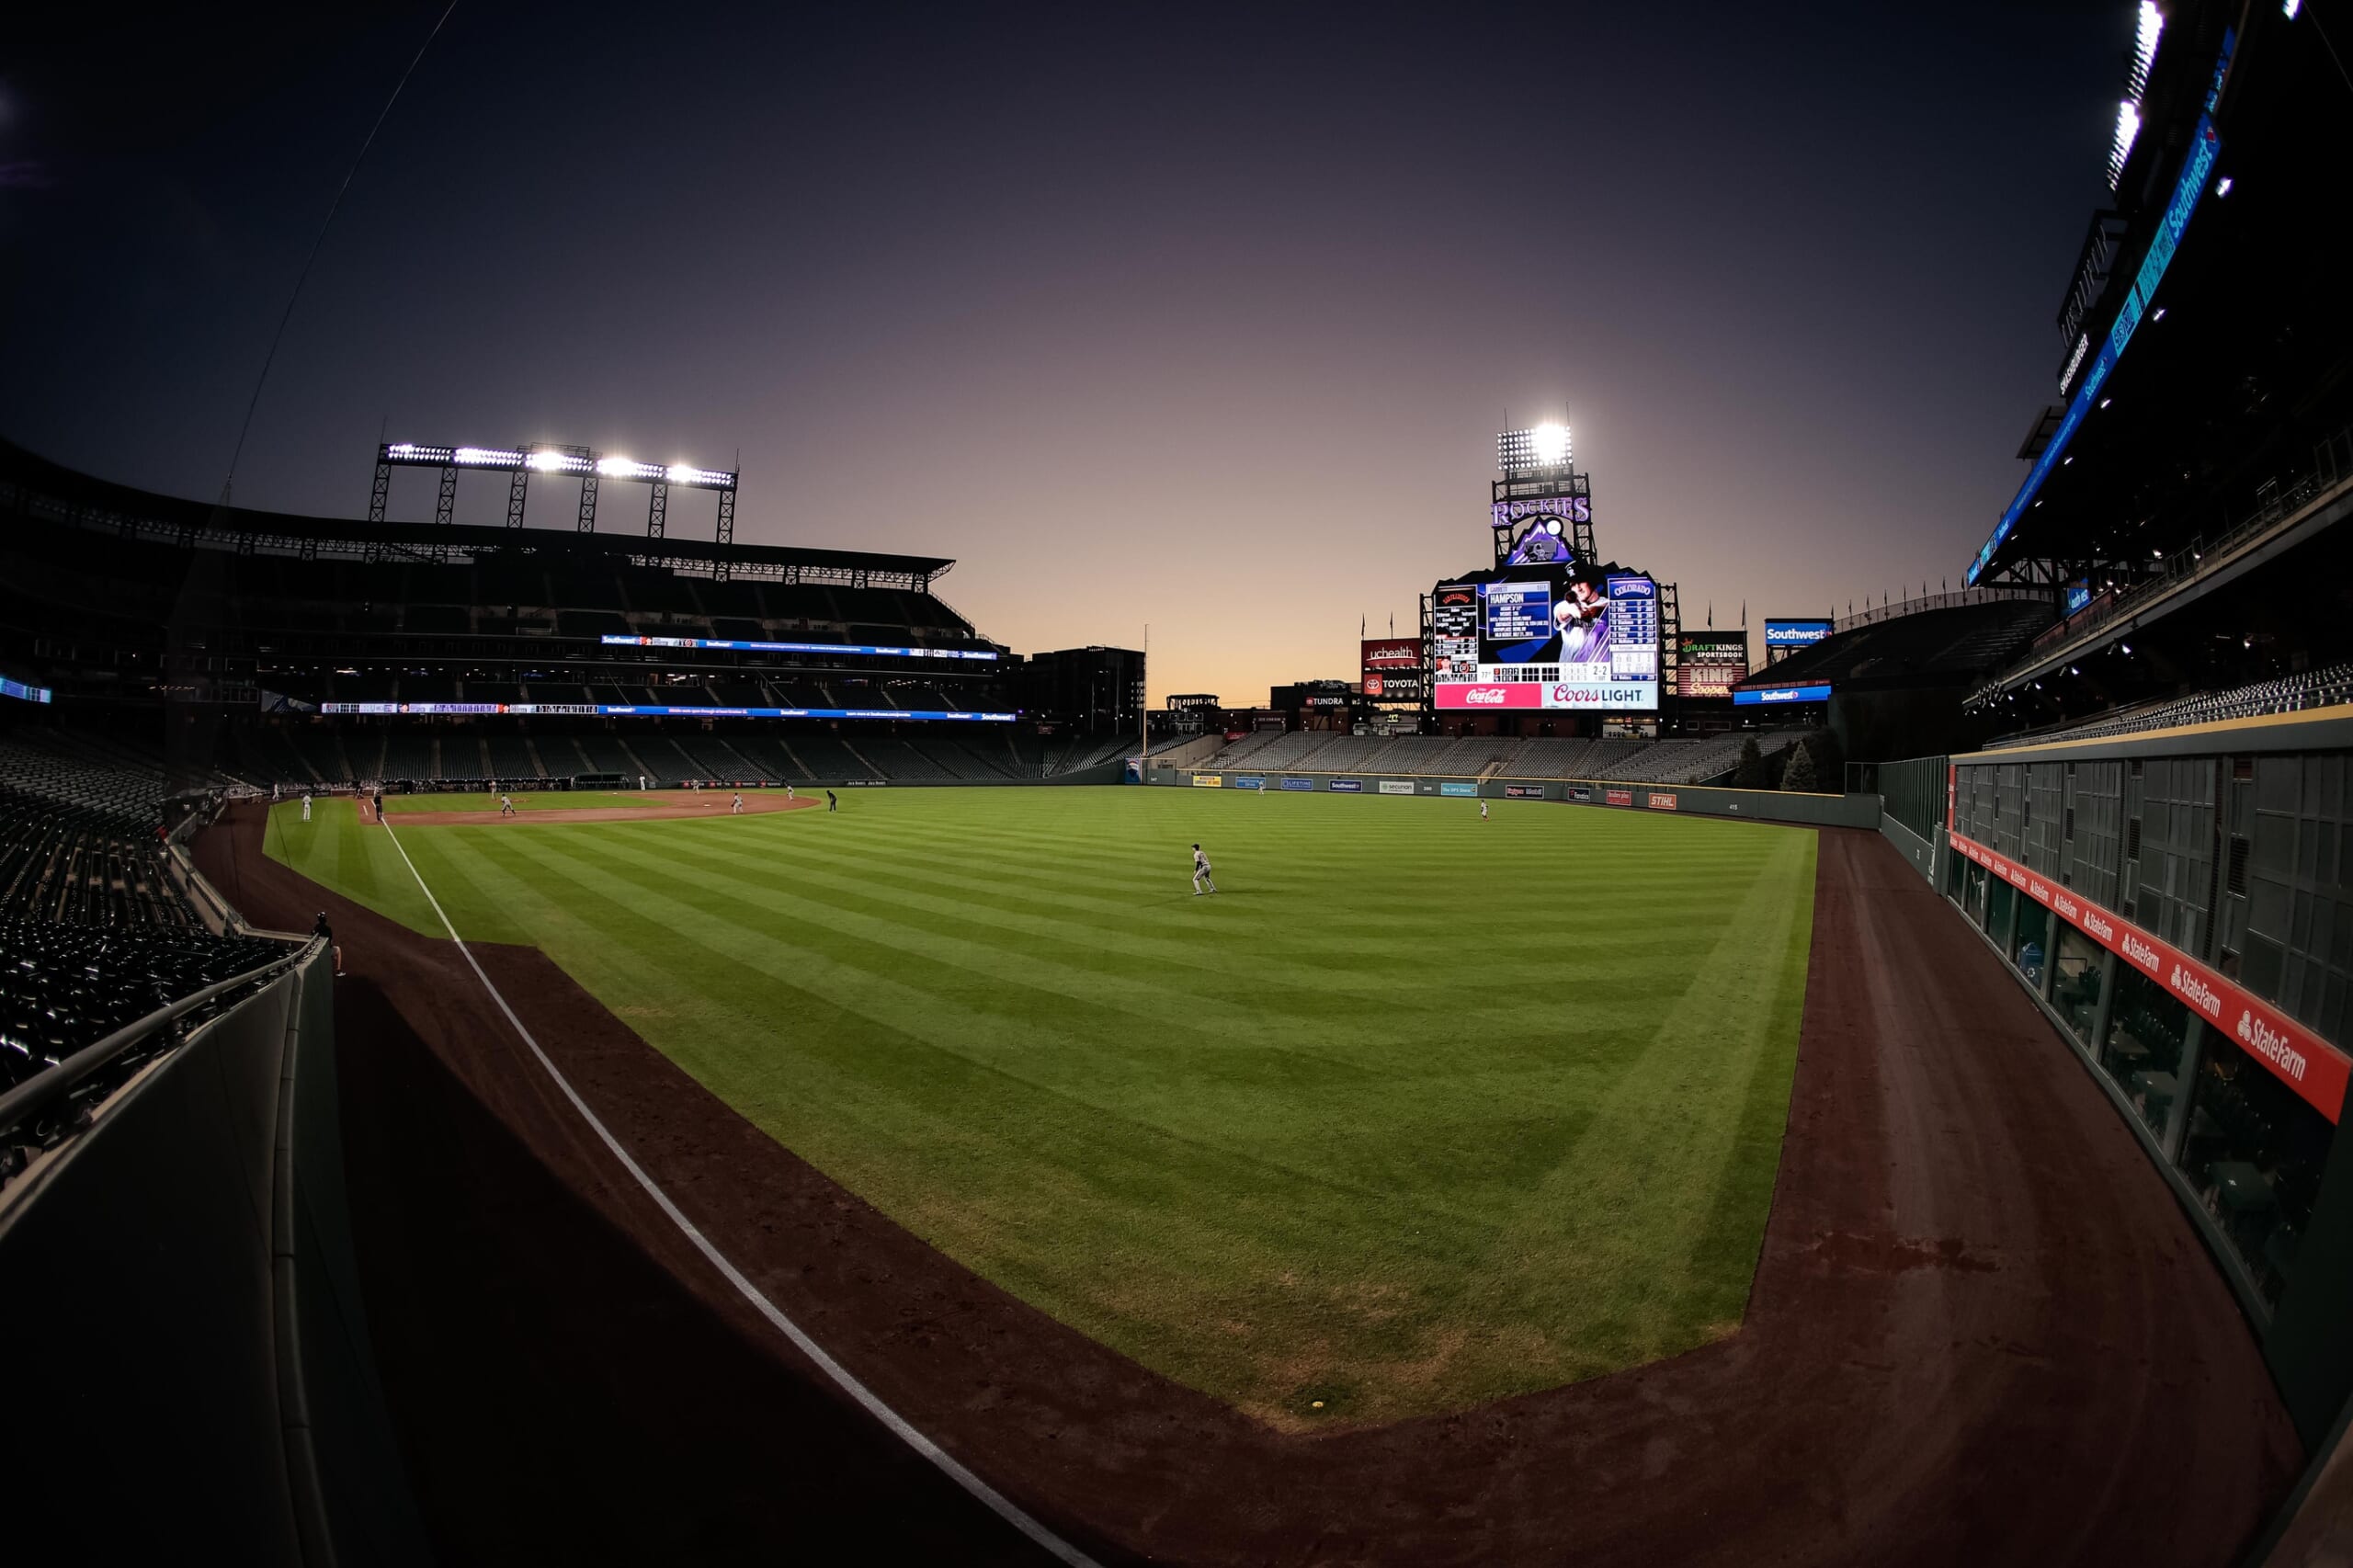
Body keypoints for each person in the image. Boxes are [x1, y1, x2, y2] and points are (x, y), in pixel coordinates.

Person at [313, 912, 344, 978]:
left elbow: (312, 938)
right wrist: (332, 955)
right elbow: (330, 943)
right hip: (325, 951)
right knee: (338, 949)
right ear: (325, 920)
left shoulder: (316, 928)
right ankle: (338, 971)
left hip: (315, 950)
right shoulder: (328, 929)